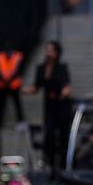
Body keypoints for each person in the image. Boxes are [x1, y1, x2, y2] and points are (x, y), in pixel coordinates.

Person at [22, 40, 71, 176]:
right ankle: (50, 163)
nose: (48, 52)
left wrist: (65, 92)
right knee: (49, 134)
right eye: (47, 49)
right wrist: (26, 90)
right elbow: (37, 86)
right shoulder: (41, 68)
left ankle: (62, 164)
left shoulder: (61, 67)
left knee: (62, 135)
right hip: (49, 105)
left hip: (61, 104)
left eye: (51, 50)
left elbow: (67, 84)